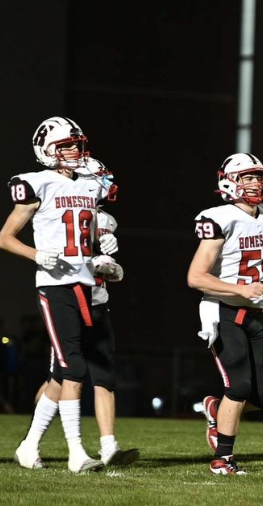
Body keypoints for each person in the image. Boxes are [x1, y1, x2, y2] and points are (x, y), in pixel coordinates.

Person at [2, 118, 117, 473]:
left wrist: (104, 244)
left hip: (85, 284)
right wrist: (36, 254)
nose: (75, 152)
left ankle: (28, 446)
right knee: (74, 367)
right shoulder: (36, 183)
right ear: (46, 149)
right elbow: (5, 236)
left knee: (59, 375)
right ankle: (76, 452)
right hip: (54, 285)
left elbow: (87, 224)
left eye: (77, 144)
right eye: (66, 145)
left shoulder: (87, 186)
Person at [189, 153, 263, 475]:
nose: (255, 183)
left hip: (257, 314)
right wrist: (240, 290)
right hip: (223, 310)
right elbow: (196, 277)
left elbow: (259, 261)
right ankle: (223, 458)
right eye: (247, 178)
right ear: (229, 182)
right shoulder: (219, 218)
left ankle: (215, 410)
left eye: (258, 177)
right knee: (239, 386)